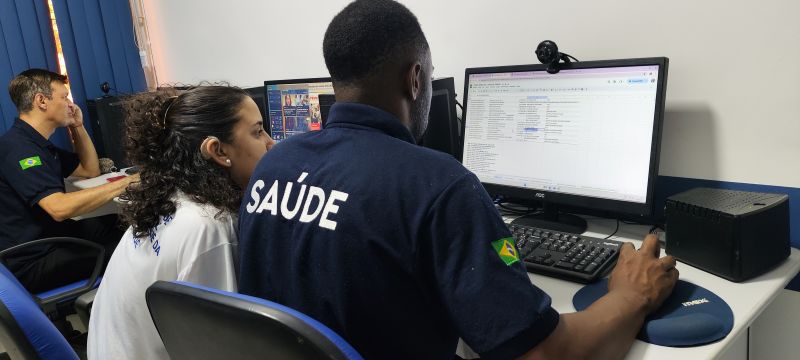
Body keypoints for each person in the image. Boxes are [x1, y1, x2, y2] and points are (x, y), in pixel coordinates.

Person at [238, 1, 678, 359]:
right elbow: (545, 354)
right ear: (415, 79)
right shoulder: (437, 185)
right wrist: (631, 294)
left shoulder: (274, 165)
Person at [87, 86, 275, 360]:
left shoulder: (168, 199)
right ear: (218, 150)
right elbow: (221, 348)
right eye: (258, 132)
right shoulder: (209, 226)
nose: (271, 143)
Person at [0, 69, 137, 293]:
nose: (70, 104)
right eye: (64, 97)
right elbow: (59, 208)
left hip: (54, 238)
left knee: (125, 222)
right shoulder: (20, 151)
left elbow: (89, 170)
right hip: (34, 261)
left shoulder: (36, 143)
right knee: (136, 247)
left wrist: (78, 126)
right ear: (41, 101)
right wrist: (126, 182)